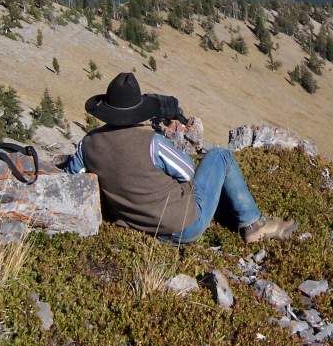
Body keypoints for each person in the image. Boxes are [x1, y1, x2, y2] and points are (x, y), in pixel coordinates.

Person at [65, 72, 296, 244]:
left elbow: (73, 177)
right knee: (220, 156)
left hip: (134, 225)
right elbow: (188, 172)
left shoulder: (88, 143)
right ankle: (253, 223)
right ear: (138, 110)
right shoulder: (151, 142)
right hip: (183, 226)